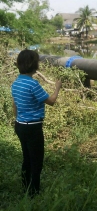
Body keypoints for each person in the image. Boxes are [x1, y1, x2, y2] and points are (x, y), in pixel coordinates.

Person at [11, 49, 62, 197]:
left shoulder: (16, 83)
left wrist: (18, 121)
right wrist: (57, 88)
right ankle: (34, 194)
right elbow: (51, 101)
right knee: (36, 161)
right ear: (34, 65)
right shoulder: (33, 84)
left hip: (20, 125)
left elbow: (15, 106)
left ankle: (25, 187)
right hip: (33, 128)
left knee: (26, 157)